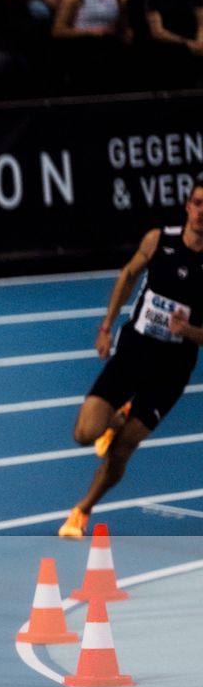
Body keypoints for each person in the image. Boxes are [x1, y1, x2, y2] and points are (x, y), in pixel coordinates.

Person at [60, 185, 203, 538]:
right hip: (135, 353)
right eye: (199, 203)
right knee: (84, 433)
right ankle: (117, 413)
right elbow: (127, 275)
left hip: (171, 371)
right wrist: (106, 326)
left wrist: (188, 331)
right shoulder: (158, 240)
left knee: (124, 447)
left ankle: (82, 510)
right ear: (187, 206)